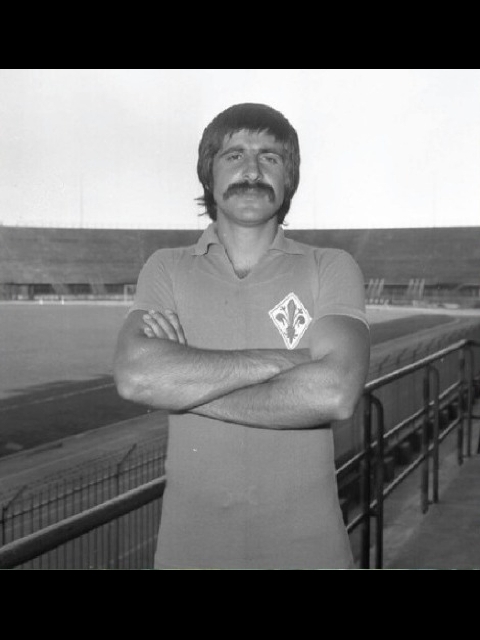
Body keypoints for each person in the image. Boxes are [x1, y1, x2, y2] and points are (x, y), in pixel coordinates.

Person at [113, 103, 370, 570]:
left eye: (270, 157)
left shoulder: (330, 266)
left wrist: (181, 385)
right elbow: (136, 377)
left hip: (310, 554)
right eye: (234, 155)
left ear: (289, 178)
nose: (252, 170)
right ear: (208, 173)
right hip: (190, 554)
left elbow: (335, 393)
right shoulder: (166, 267)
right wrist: (289, 361)